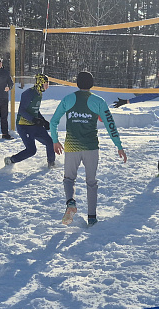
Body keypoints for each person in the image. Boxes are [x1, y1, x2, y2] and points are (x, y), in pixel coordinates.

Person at [50, 70, 128, 226]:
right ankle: (92, 217)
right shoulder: (98, 101)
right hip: (91, 148)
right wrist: (119, 146)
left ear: (77, 83)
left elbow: (53, 121)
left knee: (69, 179)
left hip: (72, 147)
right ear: (92, 84)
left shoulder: (68, 99)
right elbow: (110, 125)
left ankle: (71, 202)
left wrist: (55, 140)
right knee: (91, 182)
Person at [4, 73, 56, 168]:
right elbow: (22, 111)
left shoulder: (39, 94)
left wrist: (43, 121)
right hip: (24, 126)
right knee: (31, 151)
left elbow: (35, 110)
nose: (47, 87)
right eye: (46, 84)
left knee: (50, 142)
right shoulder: (28, 93)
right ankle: (11, 160)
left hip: (34, 125)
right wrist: (34, 119)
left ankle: (51, 164)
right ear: (40, 83)